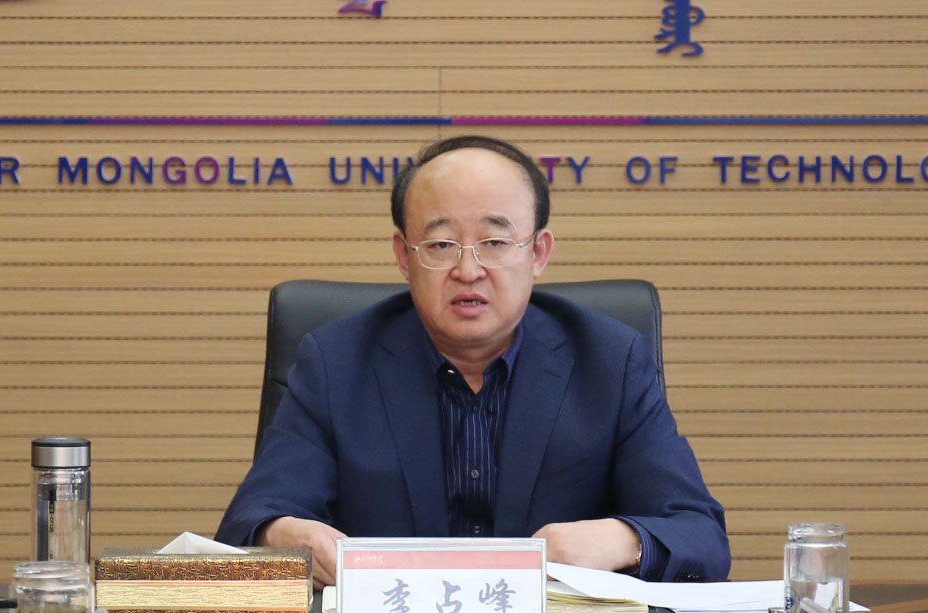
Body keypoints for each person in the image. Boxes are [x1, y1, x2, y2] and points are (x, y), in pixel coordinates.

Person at [216, 135, 730, 588]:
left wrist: (621, 540)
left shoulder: (609, 361)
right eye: (441, 244)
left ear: (538, 252)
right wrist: (282, 534)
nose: (468, 269)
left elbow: (700, 535)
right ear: (404, 255)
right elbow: (247, 525)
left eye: (495, 242)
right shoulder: (336, 362)